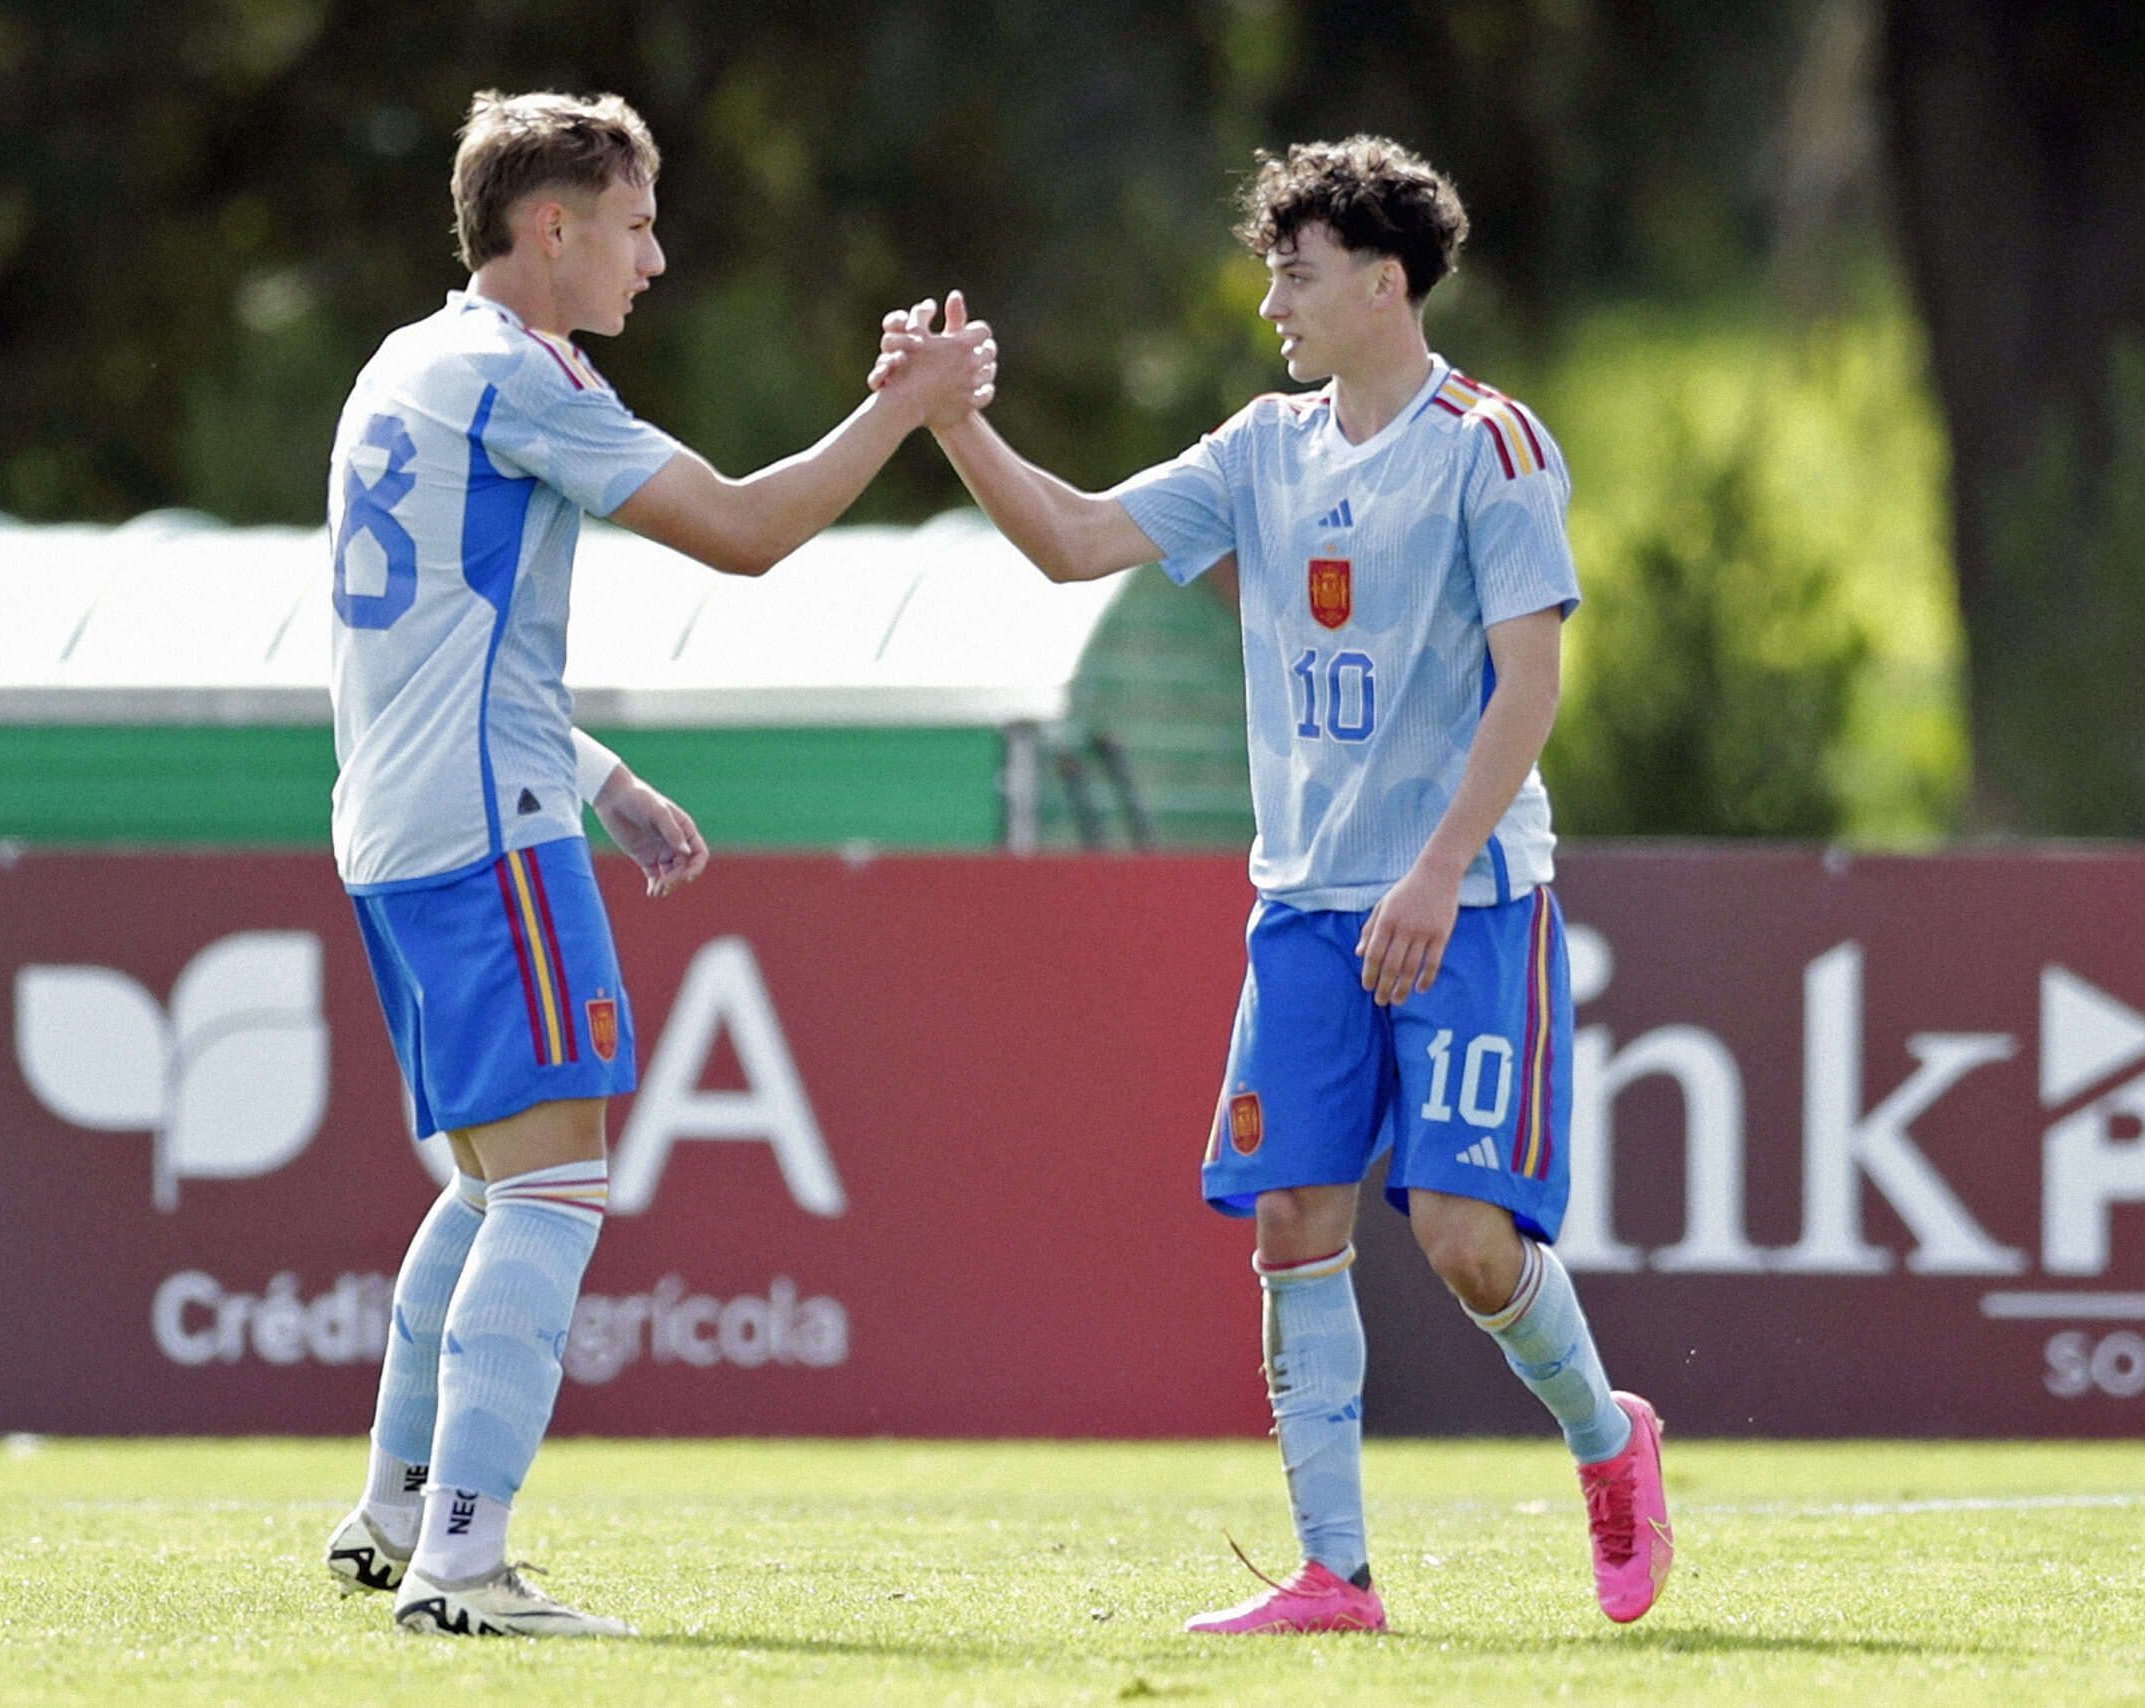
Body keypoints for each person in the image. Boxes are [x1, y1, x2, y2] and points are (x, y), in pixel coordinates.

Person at [884, 135, 1670, 1631]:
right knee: (1294, 1224)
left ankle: (1607, 1440)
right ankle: (1335, 1576)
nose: (1273, 307)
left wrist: (1437, 872)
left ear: (1385, 284)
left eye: (1296, 275)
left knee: (1461, 1237)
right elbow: (1071, 541)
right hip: (1303, 906)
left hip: (1470, 898)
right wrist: (951, 420)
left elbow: (1529, 687)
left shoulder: (1493, 445)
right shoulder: (1259, 448)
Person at [317, 88, 994, 1639]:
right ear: (548, 229)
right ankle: (466, 1570)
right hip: (486, 828)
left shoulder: (405, 361)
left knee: (496, 1180)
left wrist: (602, 774)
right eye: (633, 224)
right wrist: (907, 405)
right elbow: (749, 533)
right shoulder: (517, 374)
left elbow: (430, 633)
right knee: (554, 1186)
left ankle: (396, 1510)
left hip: (397, 818)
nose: (656, 257)